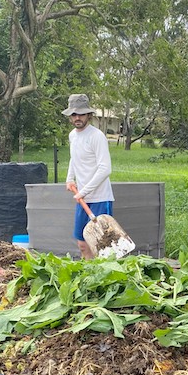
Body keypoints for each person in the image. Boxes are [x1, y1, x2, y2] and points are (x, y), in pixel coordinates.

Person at [63, 94, 114, 259]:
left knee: (100, 246)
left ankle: (103, 279)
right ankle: (88, 279)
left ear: (89, 115)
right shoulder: (73, 135)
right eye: (74, 114)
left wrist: (83, 191)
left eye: (81, 114)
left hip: (99, 198)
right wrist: (70, 178)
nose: (77, 118)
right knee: (83, 244)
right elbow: (74, 158)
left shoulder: (96, 136)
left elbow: (105, 169)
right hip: (82, 198)